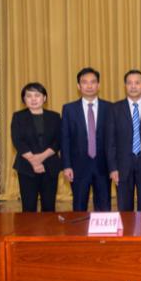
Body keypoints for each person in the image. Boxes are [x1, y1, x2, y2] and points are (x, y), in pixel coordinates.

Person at [106, 69, 141, 212]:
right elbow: (110, 141)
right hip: (122, 166)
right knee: (124, 209)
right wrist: (113, 168)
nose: (133, 86)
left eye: (137, 83)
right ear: (125, 86)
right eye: (129, 83)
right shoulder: (114, 108)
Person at [60, 68, 111, 211]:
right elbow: (65, 139)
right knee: (79, 207)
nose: (89, 86)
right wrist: (67, 165)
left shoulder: (110, 108)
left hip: (103, 166)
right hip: (78, 167)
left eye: (93, 82)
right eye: (84, 82)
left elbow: (114, 140)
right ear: (78, 86)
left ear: (98, 85)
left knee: (104, 207)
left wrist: (114, 166)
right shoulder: (69, 109)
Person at [11, 82, 62, 212]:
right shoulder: (18, 117)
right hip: (26, 167)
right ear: (24, 99)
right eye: (29, 96)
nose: (33, 99)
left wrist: (41, 157)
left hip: (50, 166)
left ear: (44, 98)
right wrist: (34, 161)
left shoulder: (55, 117)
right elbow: (18, 141)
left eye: (37, 95)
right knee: (28, 207)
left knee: (49, 207)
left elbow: (58, 140)